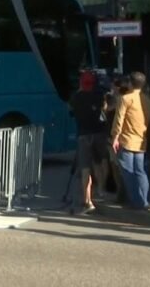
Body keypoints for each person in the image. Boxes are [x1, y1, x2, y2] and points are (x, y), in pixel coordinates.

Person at [110, 71, 150, 210]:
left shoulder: (125, 99)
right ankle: (144, 201)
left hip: (127, 139)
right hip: (141, 139)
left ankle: (135, 201)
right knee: (140, 171)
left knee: (128, 172)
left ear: (130, 83)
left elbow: (119, 119)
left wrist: (115, 137)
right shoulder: (147, 100)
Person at [68, 70, 107, 214]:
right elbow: (104, 110)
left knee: (85, 169)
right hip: (98, 134)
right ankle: (101, 190)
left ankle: (87, 199)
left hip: (83, 136)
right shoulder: (99, 95)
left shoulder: (76, 97)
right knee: (98, 163)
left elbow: (70, 111)